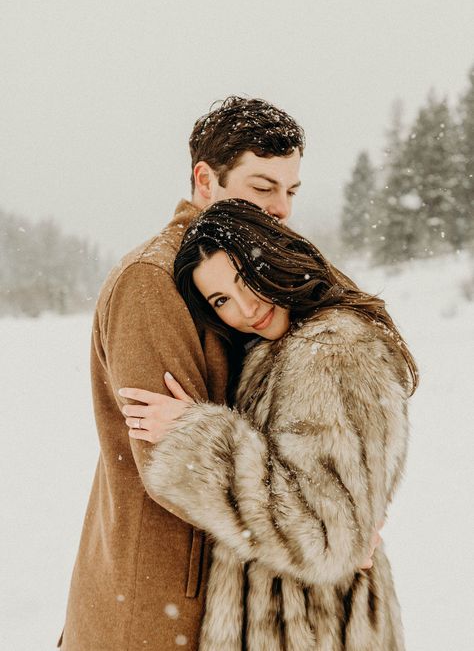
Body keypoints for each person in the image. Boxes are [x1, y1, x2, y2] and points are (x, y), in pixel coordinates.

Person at [58, 96, 308, 651]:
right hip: (161, 598)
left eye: (290, 191)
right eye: (263, 187)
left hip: (233, 585)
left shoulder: (255, 268)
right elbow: (172, 465)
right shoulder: (154, 280)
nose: (282, 209)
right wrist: (315, 531)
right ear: (204, 180)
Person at [119, 199, 418, 651]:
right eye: (221, 299)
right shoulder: (280, 346)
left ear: (273, 256)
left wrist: (198, 438)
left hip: (316, 629)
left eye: (245, 278)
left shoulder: (334, 350)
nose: (244, 307)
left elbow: (325, 536)